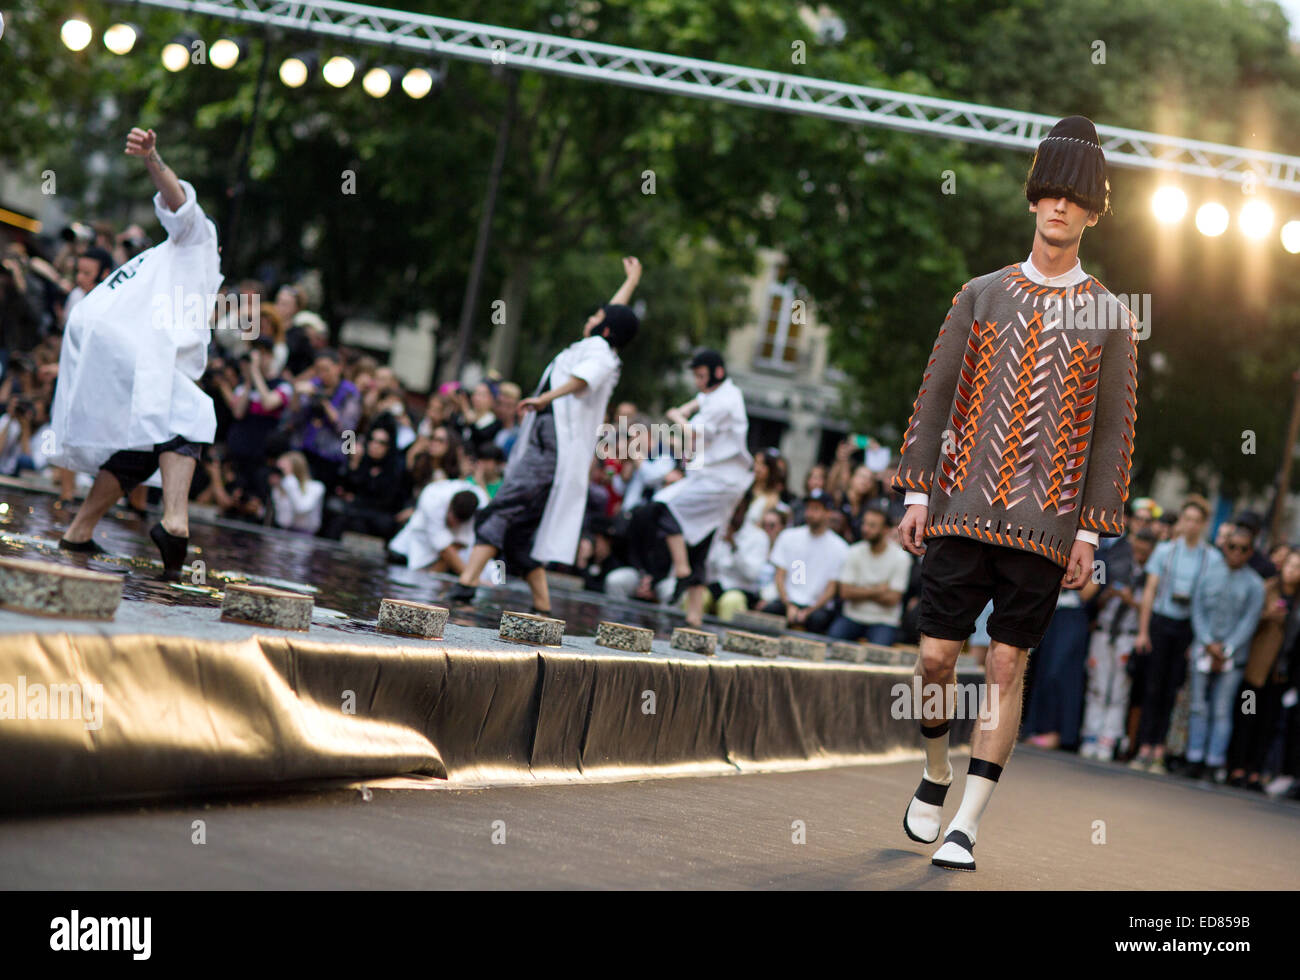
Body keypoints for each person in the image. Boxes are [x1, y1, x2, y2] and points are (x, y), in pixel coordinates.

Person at [891, 116, 1138, 871]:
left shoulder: (1112, 317)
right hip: (961, 508)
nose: (1060, 208)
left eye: (1075, 198)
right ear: (1033, 202)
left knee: (1005, 667)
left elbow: (1111, 435)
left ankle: (966, 821)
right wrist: (916, 491)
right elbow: (935, 397)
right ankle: (936, 771)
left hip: (1047, 527)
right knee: (935, 660)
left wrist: (1091, 534)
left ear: (1094, 213)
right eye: (1050, 194)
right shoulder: (979, 295)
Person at [51, 128, 222, 579]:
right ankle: (175, 524)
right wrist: (154, 158)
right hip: (119, 343)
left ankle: (79, 529)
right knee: (193, 413)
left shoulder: (170, 264)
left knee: (147, 440)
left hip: (102, 337)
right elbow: (179, 202)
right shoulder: (197, 239)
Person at [446, 257, 642, 613]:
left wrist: (543, 398)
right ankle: (543, 607)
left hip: (554, 446)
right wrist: (631, 281)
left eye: (598, 317)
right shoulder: (599, 347)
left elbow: (584, 379)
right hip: (549, 441)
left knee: (503, 507)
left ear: (607, 330)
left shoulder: (599, 352)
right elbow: (616, 314)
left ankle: (466, 584)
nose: (592, 317)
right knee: (521, 531)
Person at [647, 349, 753, 627]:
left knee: (667, 507)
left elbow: (694, 432)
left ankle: (681, 570)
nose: (697, 381)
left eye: (701, 375)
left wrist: (675, 416)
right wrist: (687, 409)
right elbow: (699, 402)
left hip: (719, 480)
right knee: (704, 543)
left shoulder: (725, 401)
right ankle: (693, 617)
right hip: (719, 479)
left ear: (717, 373)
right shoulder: (720, 395)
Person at [1130, 495, 1214, 773]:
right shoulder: (1165, 550)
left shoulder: (1209, 557)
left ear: (1203, 524)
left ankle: (1159, 751)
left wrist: (1199, 639)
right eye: (1186, 519)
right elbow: (1150, 591)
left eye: (1196, 520)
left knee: (1173, 689)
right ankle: (1143, 747)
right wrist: (1143, 631)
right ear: (1180, 521)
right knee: (1152, 686)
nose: (1190, 525)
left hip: (1188, 627)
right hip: (1161, 622)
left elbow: (1209, 600)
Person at [1180, 524, 1266, 782]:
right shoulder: (1207, 574)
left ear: (1251, 552)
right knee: (1197, 706)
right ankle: (1194, 757)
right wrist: (1207, 642)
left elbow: (1249, 623)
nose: (1237, 553)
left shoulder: (1255, 585)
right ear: (1224, 547)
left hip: (1233, 658)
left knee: (1221, 709)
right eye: (1232, 547)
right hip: (1203, 650)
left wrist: (1226, 649)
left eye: (1243, 549)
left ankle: (1213, 762)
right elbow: (1197, 611)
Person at [1080, 528, 1157, 761]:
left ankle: (1109, 738)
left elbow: (1149, 609)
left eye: (1145, 550)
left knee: (1119, 689)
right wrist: (1108, 595)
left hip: (1127, 635)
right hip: (1104, 632)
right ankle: (1091, 733)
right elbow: (1094, 598)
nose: (1139, 553)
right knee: (1097, 684)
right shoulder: (1115, 566)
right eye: (1137, 547)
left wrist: (1129, 600)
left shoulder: (1151, 576)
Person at [1228, 550, 1300, 789]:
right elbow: (1247, 618)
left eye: (1298, 568)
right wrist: (1268, 616)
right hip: (1256, 671)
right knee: (1247, 717)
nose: (1293, 571)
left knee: (1267, 724)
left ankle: (1255, 771)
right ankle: (1237, 767)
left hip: (1279, 674)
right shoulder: (1266, 588)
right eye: (1290, 565)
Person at [758, 489, 849, 633]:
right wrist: (788, 605)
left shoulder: (840, 547)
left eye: (816, 509)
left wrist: (808, 611)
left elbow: (832, 588)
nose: (810, 513)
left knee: (820, 622)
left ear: (828, 513)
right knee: (766, 613)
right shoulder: (789, 536)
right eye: (809, 508)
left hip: (817, 608)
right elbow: (779, 576)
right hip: (787, 601)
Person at [827, 504, 913, 645]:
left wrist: (859, 591)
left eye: (872, 526)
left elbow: (893, 598)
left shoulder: (901, 558)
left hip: (884, 621)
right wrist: (879, 589)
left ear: (885, 530)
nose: (865, 529)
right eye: (865, 524)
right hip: (852, 617)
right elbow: (845, 592)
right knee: (831, 642)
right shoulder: (854, 551)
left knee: (878, 656)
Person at [389, 479, 489, 573]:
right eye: (452, 520)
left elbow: (460, 545)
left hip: (446, 555)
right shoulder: (432, 499)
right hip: (415, 541)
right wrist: (469, 577)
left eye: (458, 523)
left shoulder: (482, 504)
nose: (454, 524)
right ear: (449, 506)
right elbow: (445, 549)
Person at [269, 451, 326, 534]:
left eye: (283, 469)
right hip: (283, 532)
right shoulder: (280, 488)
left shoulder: (316, 487)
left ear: (296, 468)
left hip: (304, 537)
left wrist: (290, 482)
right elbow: (282, 519)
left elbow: (301, 508)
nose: (281, 473)